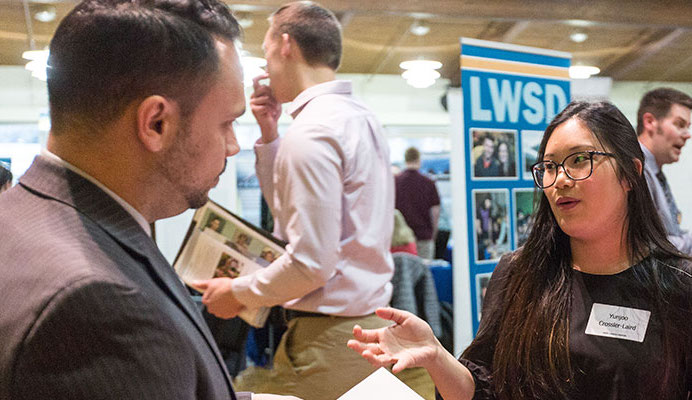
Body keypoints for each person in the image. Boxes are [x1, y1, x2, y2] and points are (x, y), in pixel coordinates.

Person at [0, 1, 297, 400]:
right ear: (156, 123)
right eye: (227, 123)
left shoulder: (23, 217)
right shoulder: (100, 304)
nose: (232, 146)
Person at [348, 101, 692, 399]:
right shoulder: (520, 274)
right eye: (550, 166)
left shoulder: (678, 286)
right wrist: (437, 357)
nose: (561, 179)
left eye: (579, 160)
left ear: (630, 174)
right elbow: (484, 389)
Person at [195, 2, 399, 399]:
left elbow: (310, 264)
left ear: (286, 45)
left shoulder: (313, 130)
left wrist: (236, 293)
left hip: (330, 340)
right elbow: (294, 218)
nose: (265, 67)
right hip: (363, 328)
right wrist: (270, 134)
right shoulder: (358, 117)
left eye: (266, 50)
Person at [637, 87, 692, 254]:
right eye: (680, 124)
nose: (687, 134)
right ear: (650, 122)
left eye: (688, 126)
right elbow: (648, 244)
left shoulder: (655, 172)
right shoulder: (636, 170)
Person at [395, 146, 441, 259]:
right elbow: (435, 212)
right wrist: (432, 235)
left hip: (401, 241)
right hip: (423, 237)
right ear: (419, 160)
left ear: (405, 160)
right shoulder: (429, 183)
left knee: (404, 274)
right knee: (424, 274)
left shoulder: (395, 182)